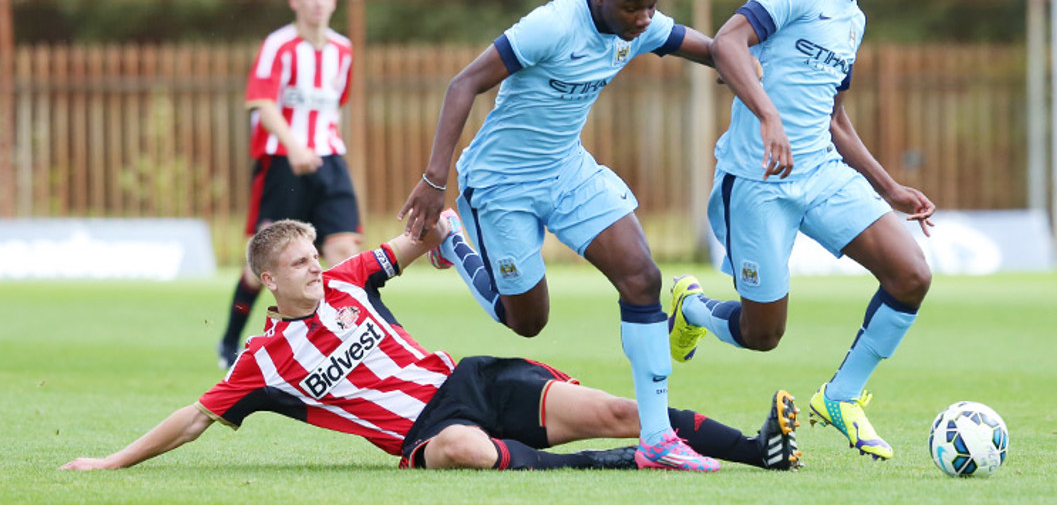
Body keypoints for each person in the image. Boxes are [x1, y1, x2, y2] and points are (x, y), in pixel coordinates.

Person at [398, 0, 771, 472]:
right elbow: (465, 83)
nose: (644, 19)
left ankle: (659, 438)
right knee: (526, 321)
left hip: (568, 171)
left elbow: (707, 48)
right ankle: (455, 243)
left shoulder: (636, 24)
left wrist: (742, 65)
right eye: (631, 8)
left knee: (642, 278)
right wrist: (435, 180)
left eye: (651, 6)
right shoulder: (551, 26)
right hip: (501, 184)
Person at [60, 216, 802, 472]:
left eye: (315, 255)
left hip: (471, 379)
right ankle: (640, 469)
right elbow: (194, 416)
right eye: (298, 263)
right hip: (426, 429)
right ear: (266, 280)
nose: (315, 266)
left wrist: (442, 211)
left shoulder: (351, 280)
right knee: (462, 454)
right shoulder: (262, 363)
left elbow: (413, 237)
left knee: (616, 408)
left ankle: (758, 451)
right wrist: (113, 459)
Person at [668, 0, 935, 461]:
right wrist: (768, 118)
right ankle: (691, 308)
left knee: (912, 274)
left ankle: (841, 396)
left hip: (821, 173)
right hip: (757, 183)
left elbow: (834, 116)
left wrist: (889, 188)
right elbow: (728, 42)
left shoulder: (853, 21)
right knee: (763, 336)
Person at [217, 0, 363, 369]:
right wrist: (295, 146)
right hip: (283, 163)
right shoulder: (278, 46)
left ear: (334, 2)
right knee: (267, 261)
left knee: (344, 251)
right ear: (295, 1)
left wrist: (315, 146)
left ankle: (343, 338)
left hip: (329, 159)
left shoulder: (343, 50)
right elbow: (262, 103)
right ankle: (230, 341)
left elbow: (337, 102)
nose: (318, 3)